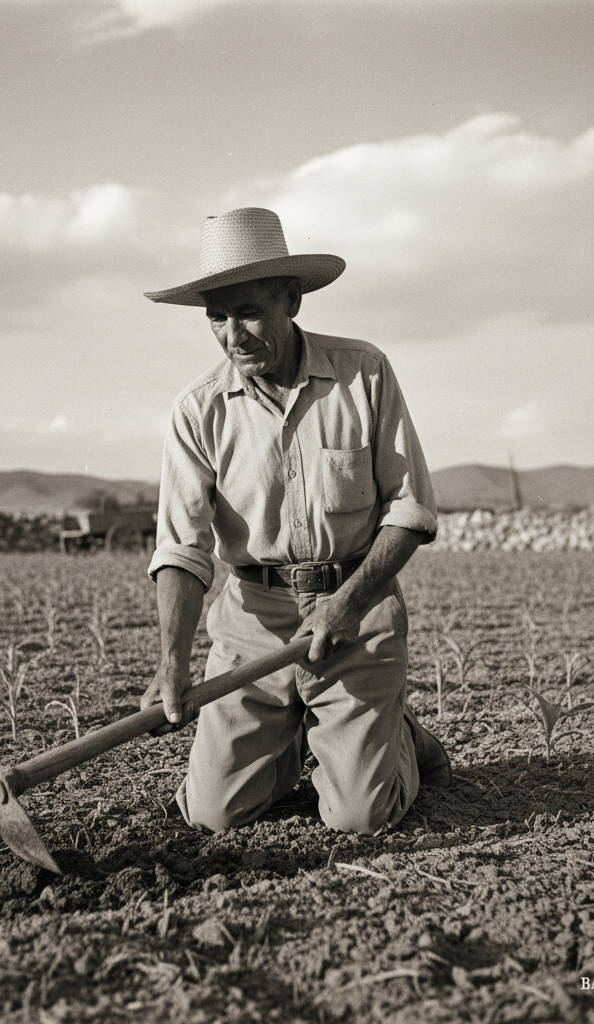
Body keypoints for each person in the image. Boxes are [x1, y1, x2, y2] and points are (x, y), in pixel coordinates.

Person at [139, 206, 451, 835]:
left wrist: (346, 602)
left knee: (360, 817)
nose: (233, 335)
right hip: (252, 625)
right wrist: (172, 660)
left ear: (291, 300)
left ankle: (402, 743)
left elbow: (410, 511)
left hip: (357, 613)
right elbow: (182, 549)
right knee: (214, 816)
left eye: (249, 312)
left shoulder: (364, 374)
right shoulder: (197, 411)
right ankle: (293, 743)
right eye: (217, 318)